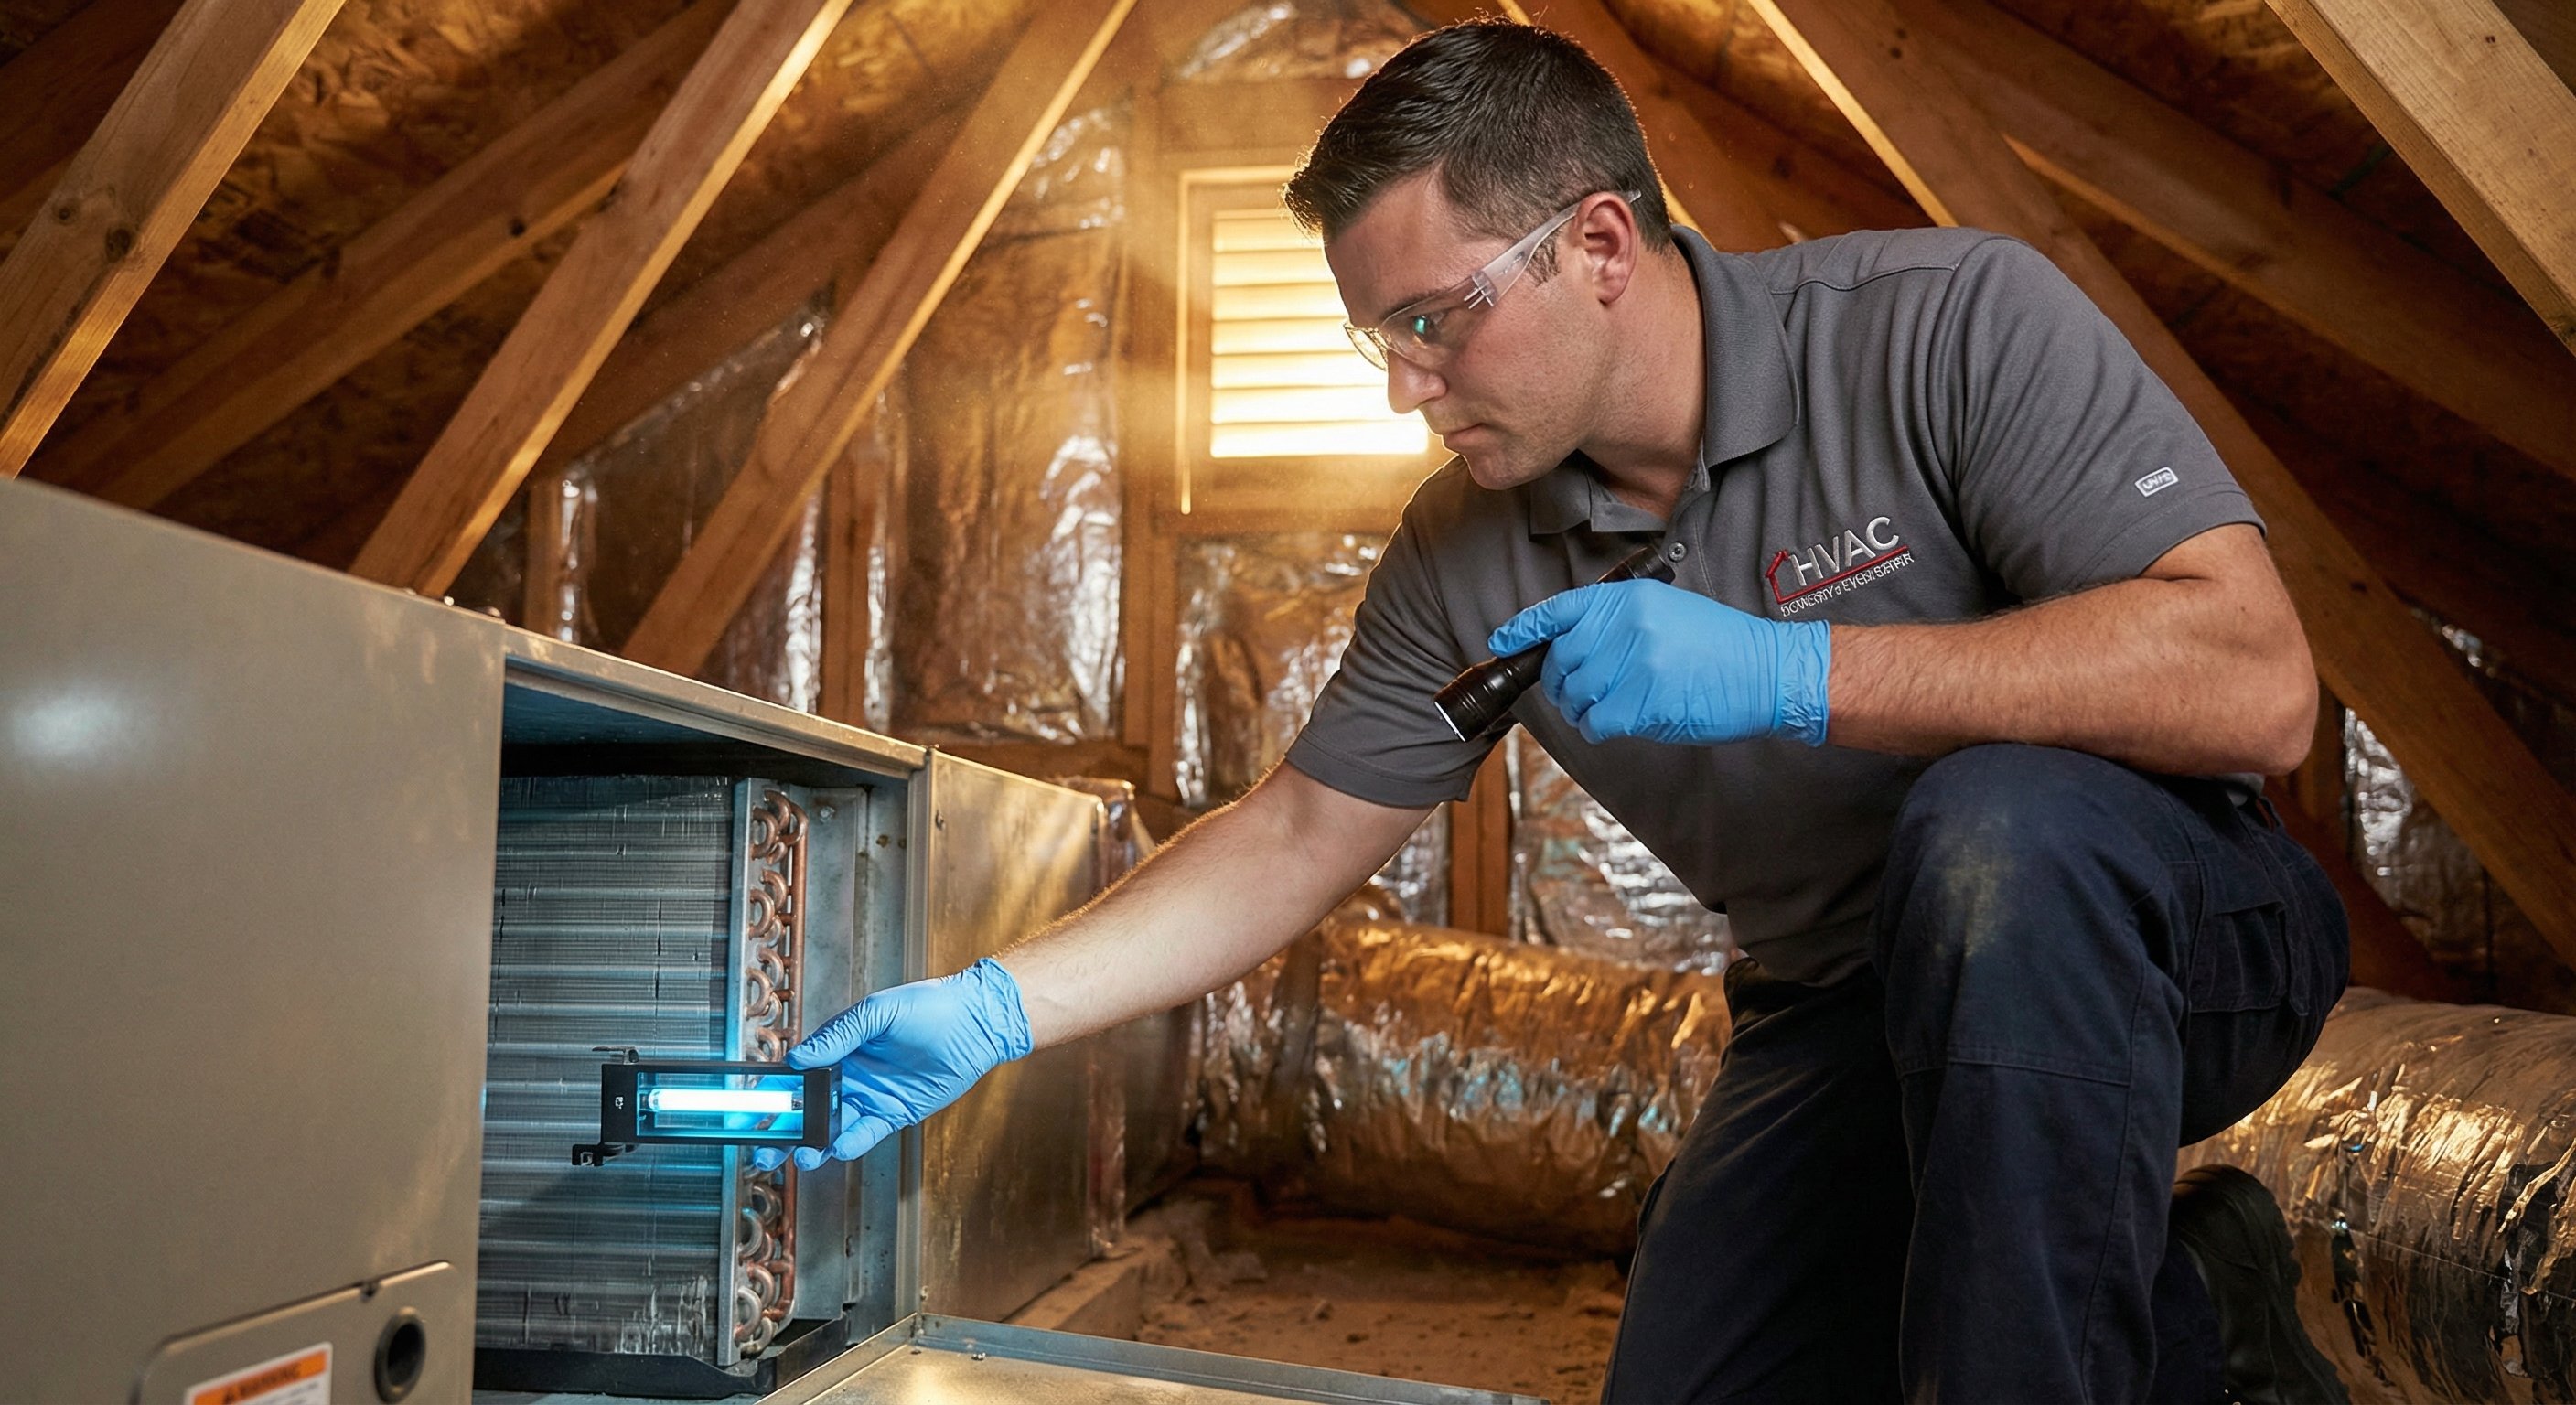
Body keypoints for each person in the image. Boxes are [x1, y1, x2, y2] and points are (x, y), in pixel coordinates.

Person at [766, 20, 2351, 1403]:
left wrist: (1799, 675)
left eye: (1433, 319)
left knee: (1991, 835)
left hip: (2163, 932)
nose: (1404, 383)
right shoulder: (1466, 543)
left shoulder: (1942, 324)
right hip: (1846, 1004)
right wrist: (990, 1010)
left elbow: (2258, 683)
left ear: (1600, 243)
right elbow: (1306, 829)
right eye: (1374, 336)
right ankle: (2196, 1308)